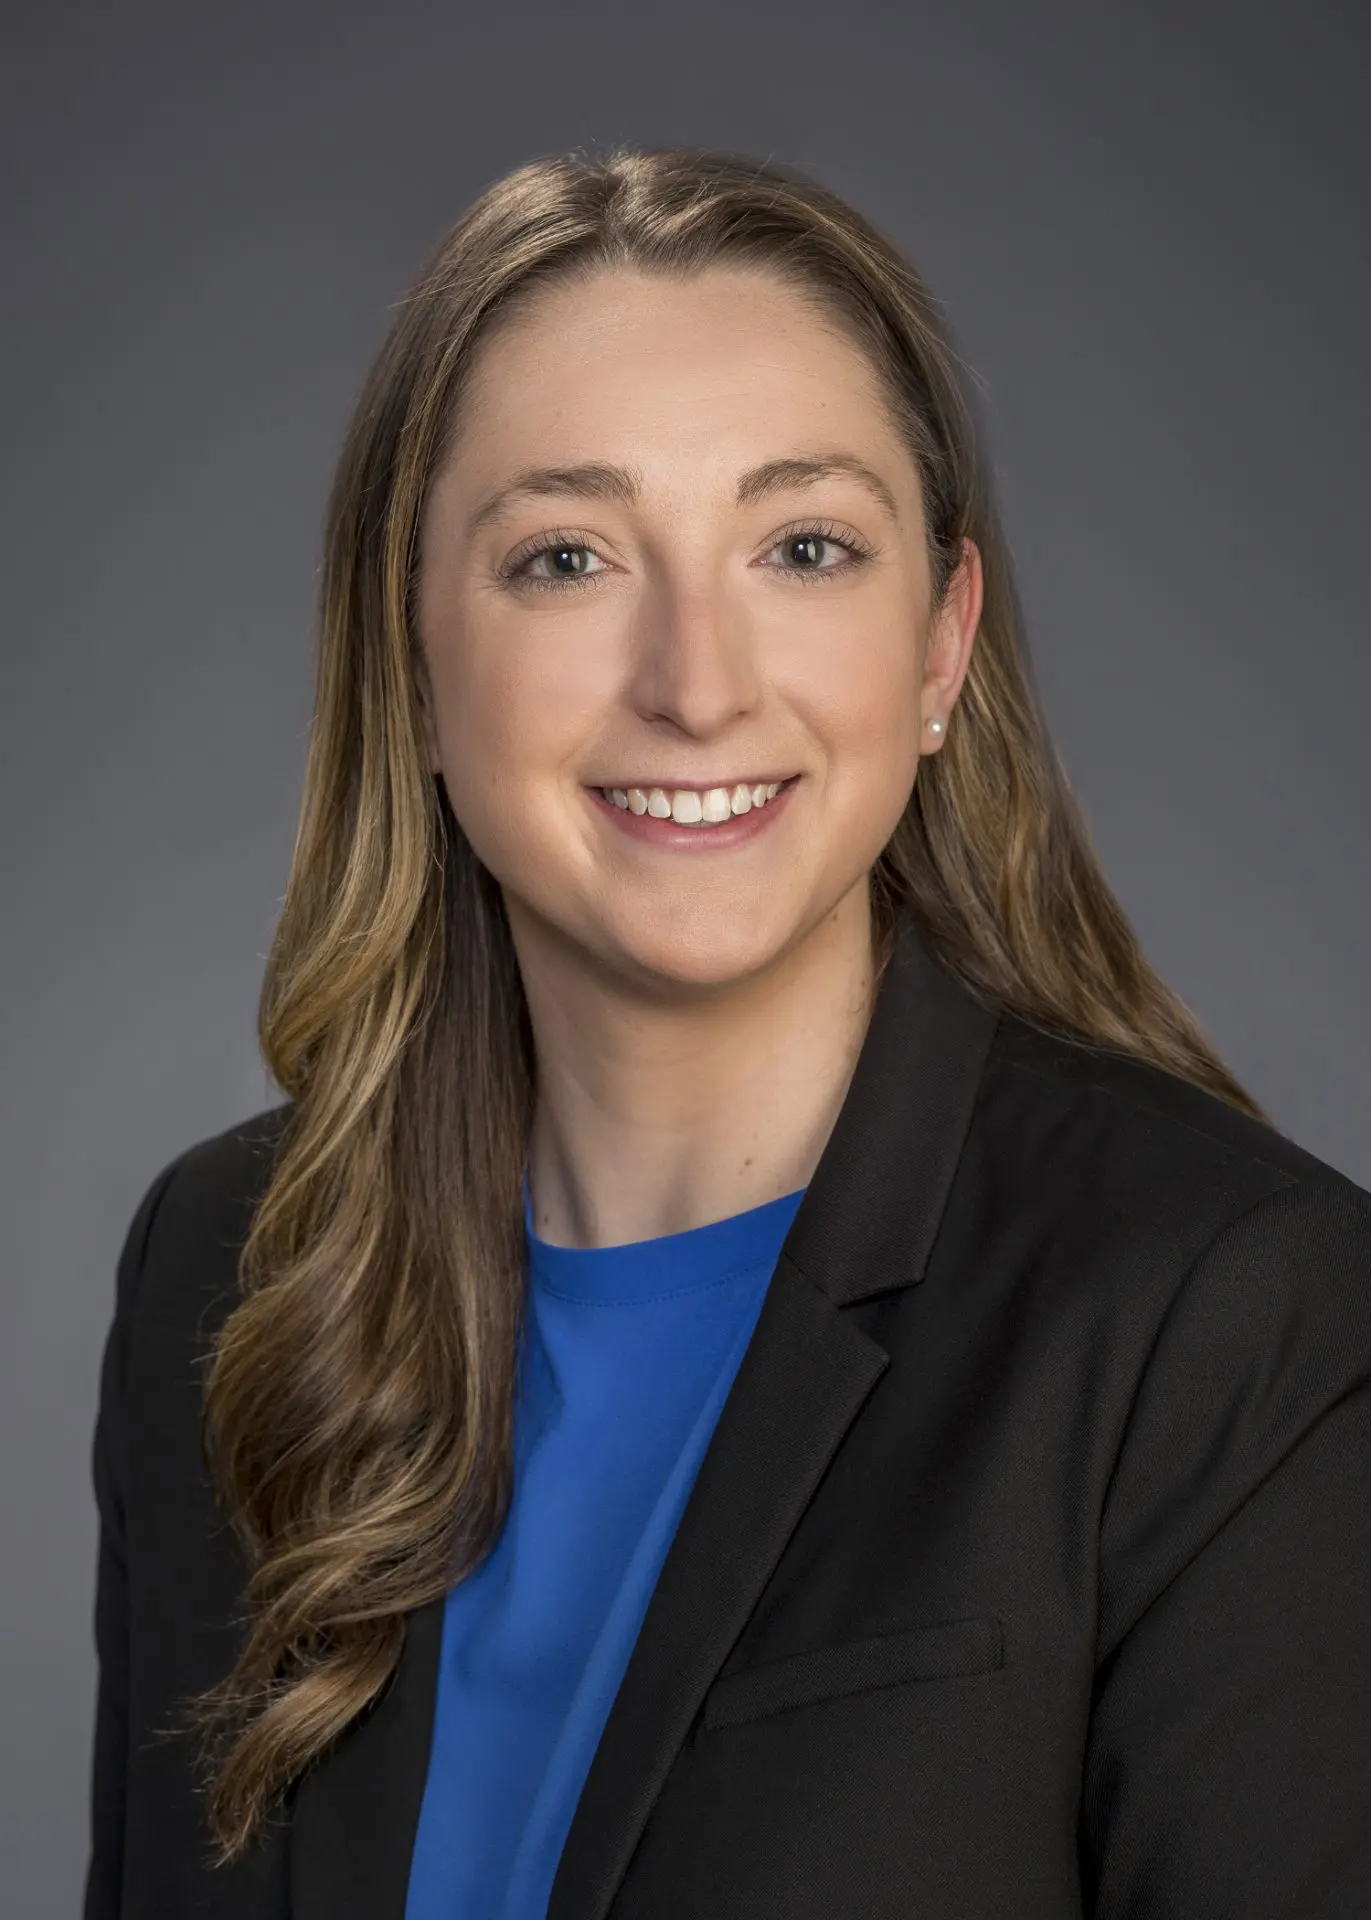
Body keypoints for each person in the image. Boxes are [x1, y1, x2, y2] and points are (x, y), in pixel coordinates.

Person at [85, 144, 1371, 1920]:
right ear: (414, 661)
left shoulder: (1224, 1318)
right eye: (564, 557)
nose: (696, 684)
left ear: (939, 649)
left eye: (803, 548)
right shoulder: (227, 1277)